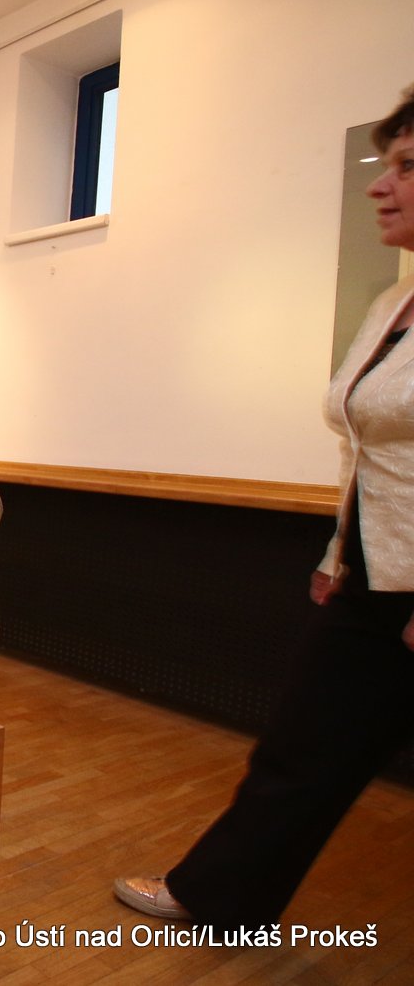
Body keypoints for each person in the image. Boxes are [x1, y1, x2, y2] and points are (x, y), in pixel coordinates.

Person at [115, 84, 414, 928]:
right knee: (302, 748)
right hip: (375, 576)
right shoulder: (390, 304)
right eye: (386, 164)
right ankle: (220, 897)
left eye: (406, 166)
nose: (379, 184)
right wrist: (336, 553)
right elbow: (365, 445)